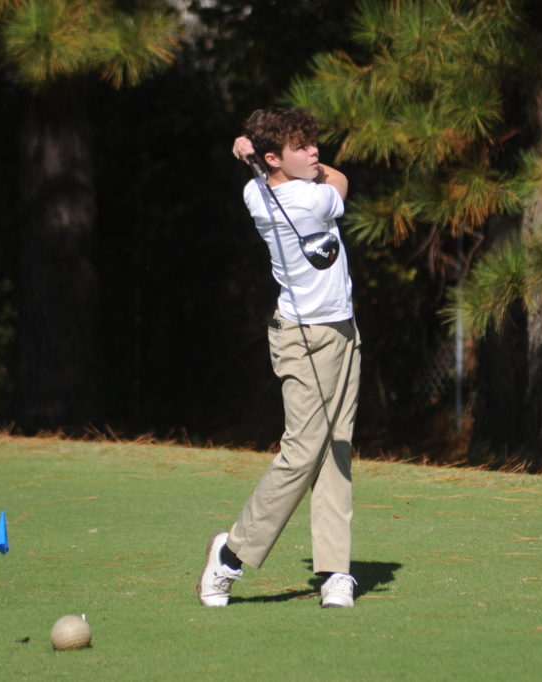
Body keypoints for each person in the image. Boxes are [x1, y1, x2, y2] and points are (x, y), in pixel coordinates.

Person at [196, 107, 362, 608]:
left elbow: (268, 172)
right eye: (302, 147)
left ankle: (334, 570)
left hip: (343, 329)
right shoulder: (312, 199)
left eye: (314, 143)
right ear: (273, 157)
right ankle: (230, 553)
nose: (315, 152)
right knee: (302, 451)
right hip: (305, 339)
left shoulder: (254, 191)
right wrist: (266, 154)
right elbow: (341, 181)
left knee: (336, 448)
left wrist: (252, 151)